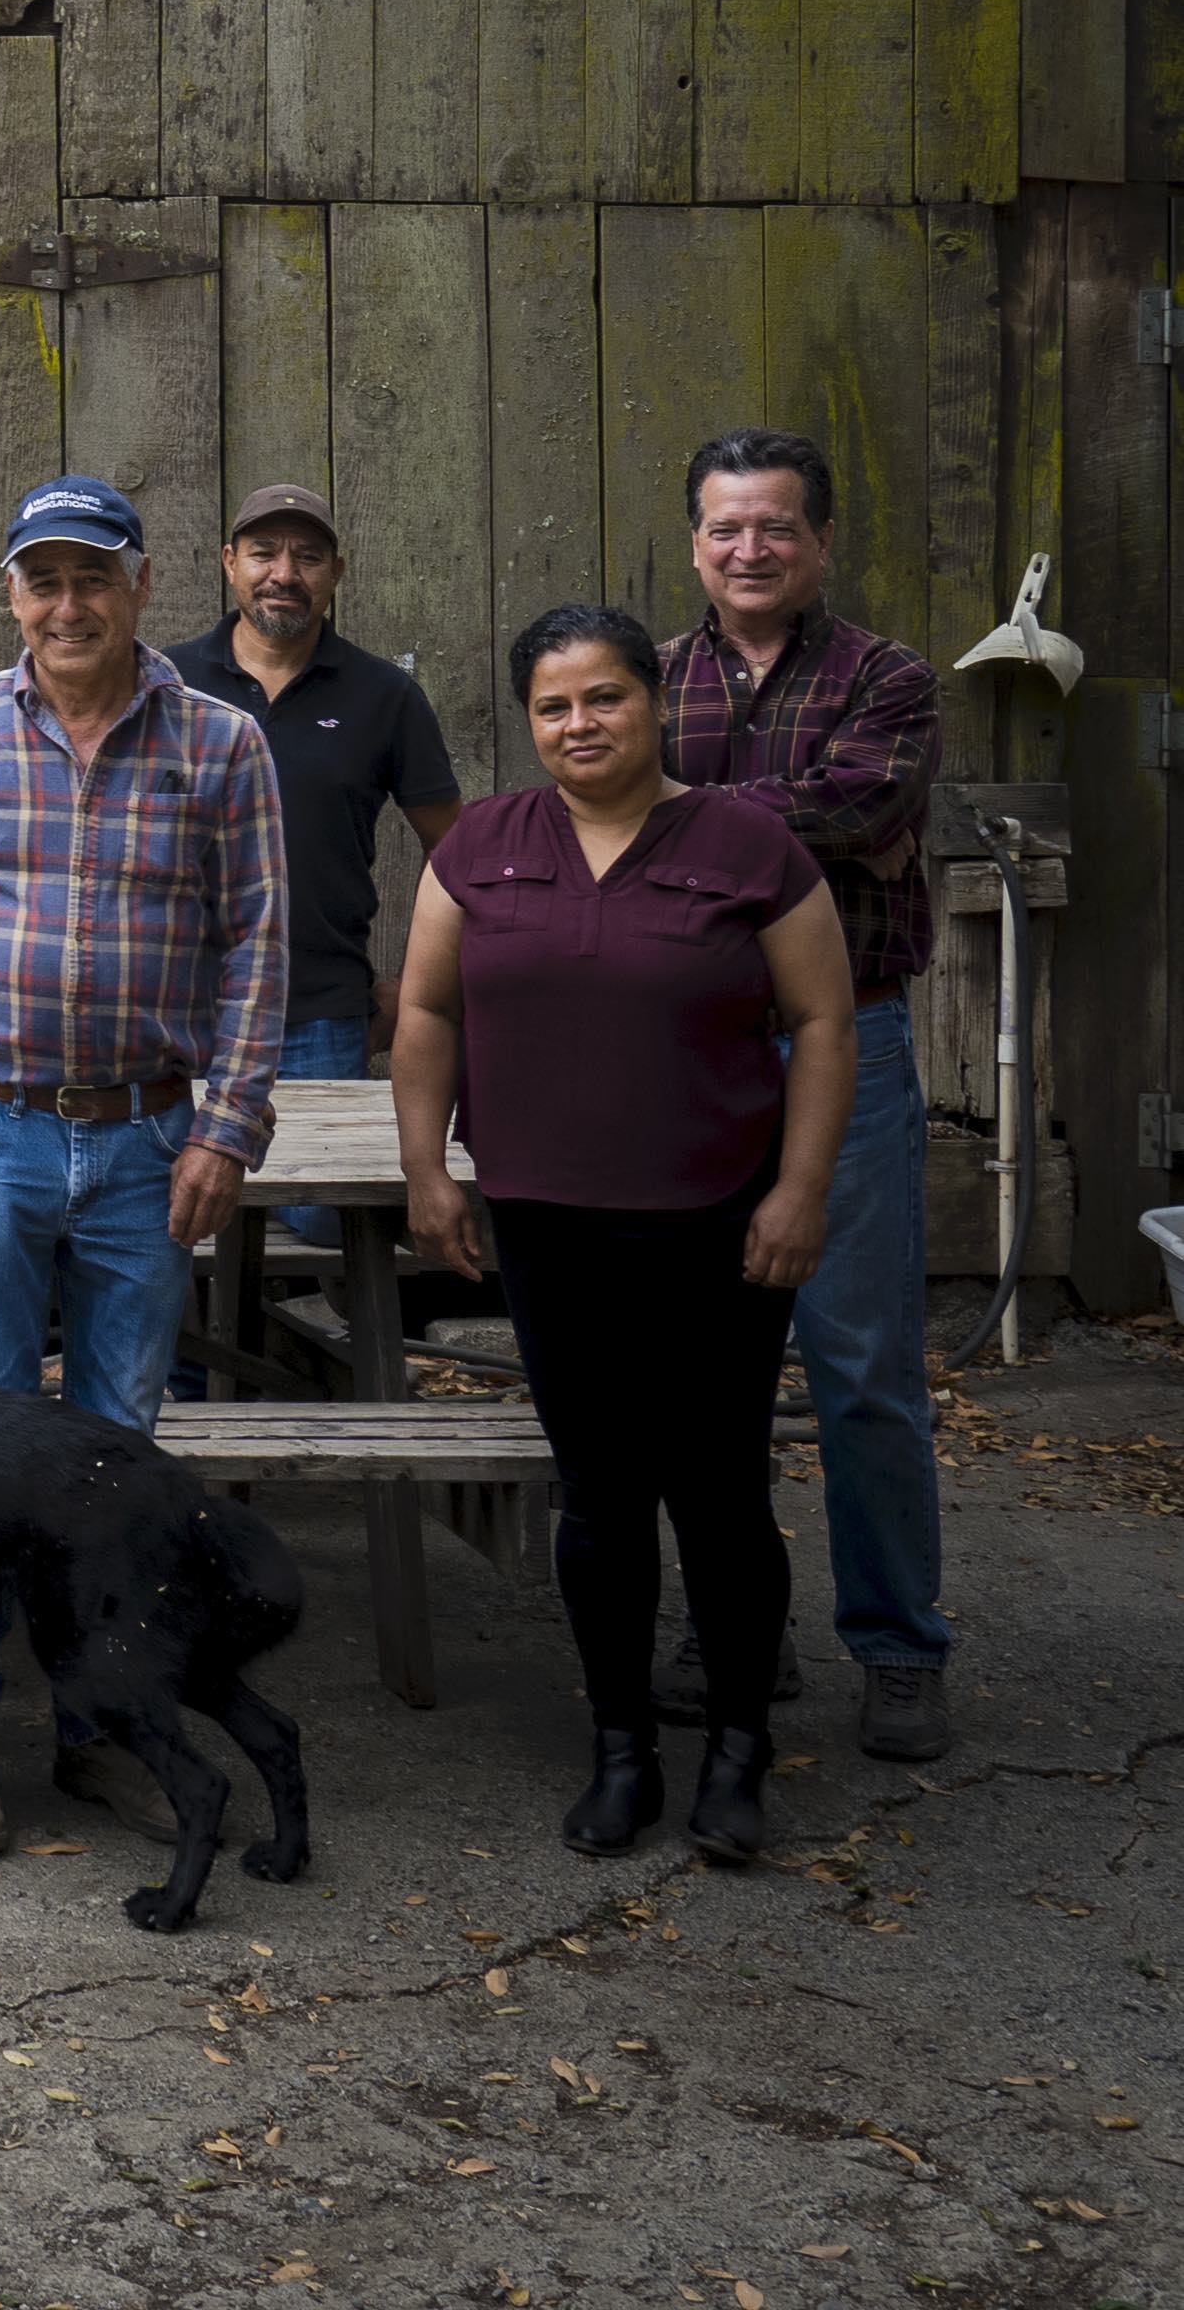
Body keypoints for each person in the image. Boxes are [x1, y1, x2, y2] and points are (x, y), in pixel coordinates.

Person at [0, 478, 287, 1857]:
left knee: (116, 1460)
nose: (67, 604)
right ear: (10, 595)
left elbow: (257, 947)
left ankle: (106, 1732)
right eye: (41, 580)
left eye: (91, 576)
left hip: (150, 1146)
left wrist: (226, 1126)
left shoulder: (220, 742)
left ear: (141, 585)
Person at [392, 606, 854, 1868]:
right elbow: (427, 1009)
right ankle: (622, 1748)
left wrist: (801, 1189)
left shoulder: (749, 845)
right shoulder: (480, 848)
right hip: (549, 1229)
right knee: (597, 1499)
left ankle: (740, 1751)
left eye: (605, 697)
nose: (580, 723)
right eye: (553, 705)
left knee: (718, 1493)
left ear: (655, 701)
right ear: (528, 722)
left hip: (719, 1228)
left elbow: (823, 1021)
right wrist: (427, 1168)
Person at [660, 426, 951, 1761]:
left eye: (775, 524)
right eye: (725, 527)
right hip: (684, 1052)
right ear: (695, 544)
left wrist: (679, 813)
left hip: (851, 1043)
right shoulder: (648, 677)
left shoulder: (888, 678)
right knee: (704, 1367)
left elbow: (862, 810)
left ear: (820, 540)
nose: (750, 548)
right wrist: (768, 815)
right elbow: (601, 809)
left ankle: (897, 1647)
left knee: (861, 1363)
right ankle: (737, 1626)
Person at [173, 483, 459, 1252]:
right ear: (229, 563)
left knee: (324, 1223)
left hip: (319, 1014)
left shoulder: (384, 695)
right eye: (263, 553)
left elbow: (459, 858)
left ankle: (294, 1334)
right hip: (172, 1014)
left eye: (306, 556)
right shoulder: (163, 683)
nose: (284, 573)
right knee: (171, 1222)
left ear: (337, 570)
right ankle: (212, 1338)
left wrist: (421, 986)